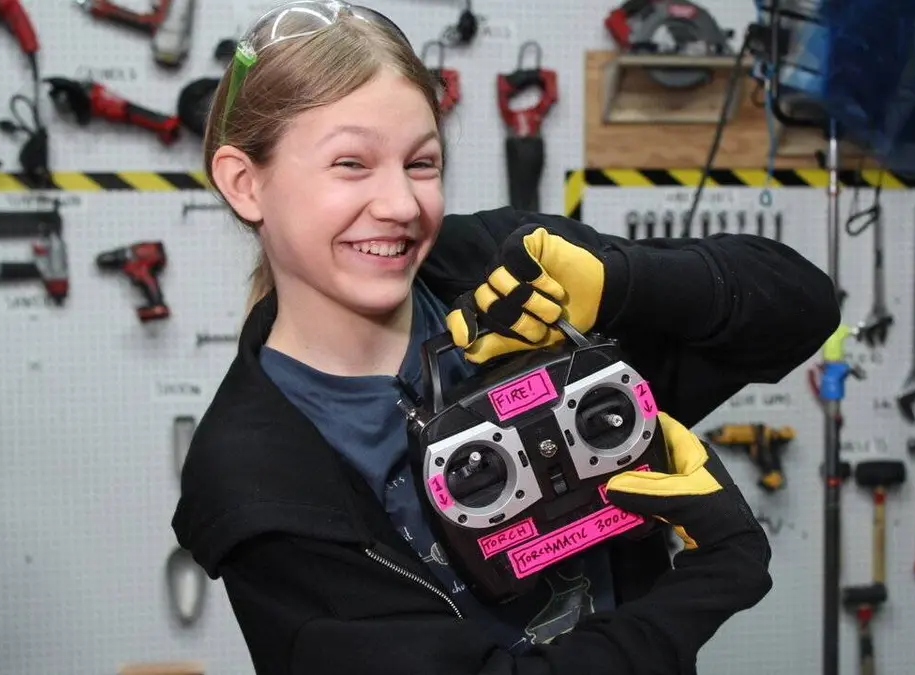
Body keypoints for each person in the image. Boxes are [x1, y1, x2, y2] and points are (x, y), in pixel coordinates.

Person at [171, 2, 841, 673]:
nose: (401, 204)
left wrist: (619, 282)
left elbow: (800, 308)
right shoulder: (255, 481)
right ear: (245, 183)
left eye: (422, 163)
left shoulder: (499, 268)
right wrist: (714, 576)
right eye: (351, 163)